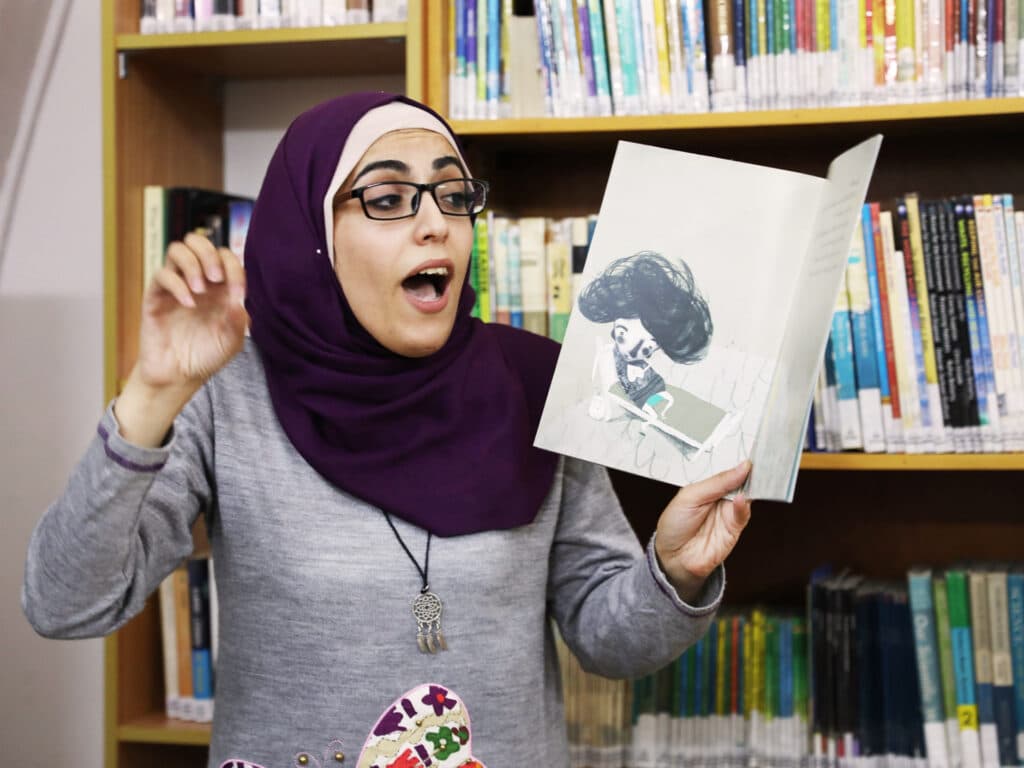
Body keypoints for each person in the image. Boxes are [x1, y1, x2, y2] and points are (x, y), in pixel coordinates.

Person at [22, 92, 752, 768]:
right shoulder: (228, 392)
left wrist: (675, 569)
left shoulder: (538, 385)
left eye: (453, 194)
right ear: (314, 234)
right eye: (389, 198)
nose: (435, 222)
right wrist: (152, 393)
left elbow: (604, 636)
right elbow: (68, 603)